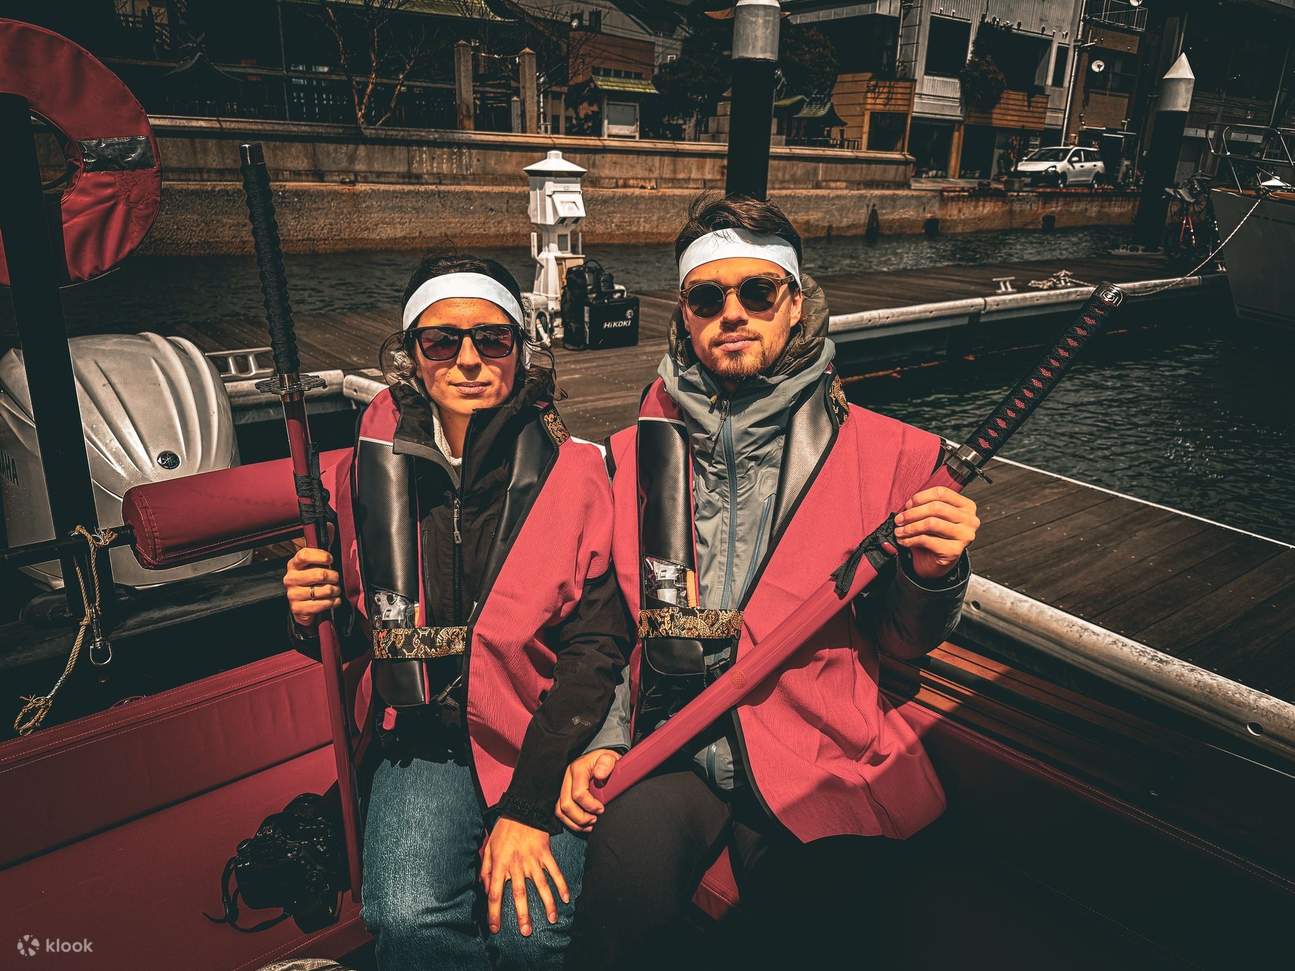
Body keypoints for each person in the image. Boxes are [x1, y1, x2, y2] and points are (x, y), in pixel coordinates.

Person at [557, 195, 980, 968]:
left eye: (758, 292)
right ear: (683, 315)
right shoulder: (624, 456)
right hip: (670, 743)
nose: (732, 313)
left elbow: (900, 642)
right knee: (607, 933)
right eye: (706, 297)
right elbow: (608, 618)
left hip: (816, 744)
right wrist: (605, 737)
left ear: (795, 305)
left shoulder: (893, 456)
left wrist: (934, 571)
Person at [282, 255, 630, 970]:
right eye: (441, 341)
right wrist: (306, 608)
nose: (468, 360)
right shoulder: (365, 474)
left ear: (520, 349)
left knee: (526, 933)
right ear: (412, 355)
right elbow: (361, 625)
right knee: (404, 918)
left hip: (544, 736)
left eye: (492, 340)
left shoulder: (583, 473)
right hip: (426, 739)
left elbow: (595, 646)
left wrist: (529, 808)